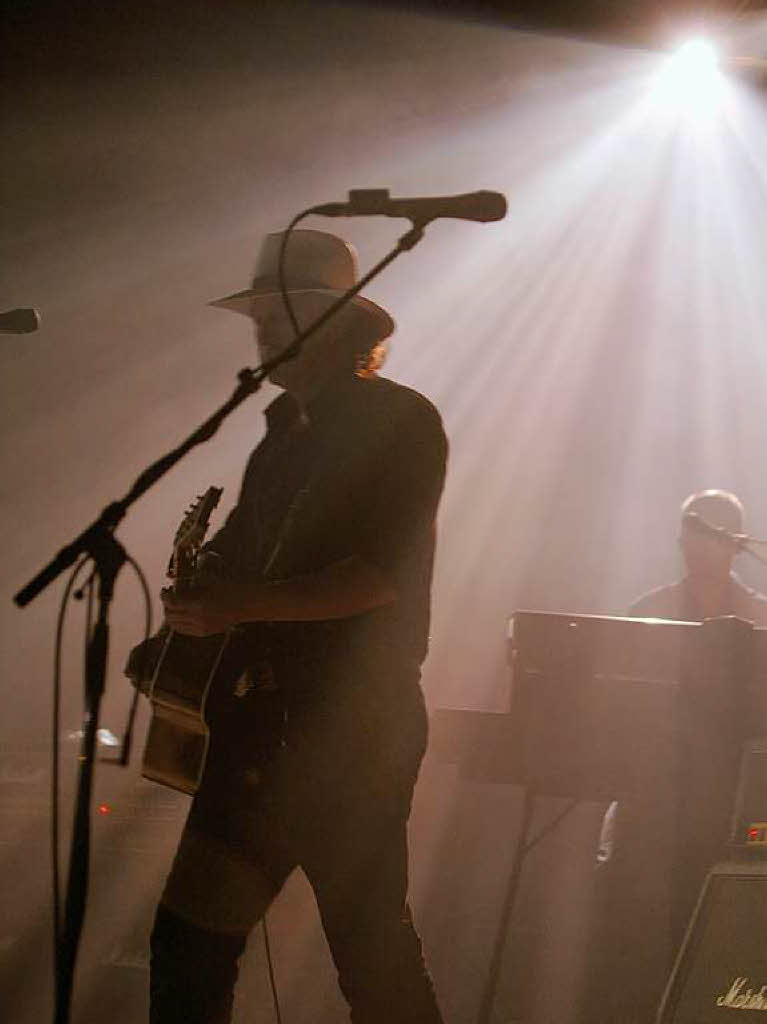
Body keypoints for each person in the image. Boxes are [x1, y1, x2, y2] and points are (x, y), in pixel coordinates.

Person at [131, 229, 447, 1024]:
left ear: (336, 323)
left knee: (369, 957)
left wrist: (235, 606)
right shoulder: (277, 434)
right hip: (258, 730)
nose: (262, 332)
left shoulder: (401, 421)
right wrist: (181, 630)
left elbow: (376, 577)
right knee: (188, 943)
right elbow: (238, 560)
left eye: (279, 314)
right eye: (258, 316)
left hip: (353, 731)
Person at [583, 489, 767, 1024]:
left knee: (713, 924)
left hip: (729, 806)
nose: (694, 544)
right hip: (651, 798)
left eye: (709, 532)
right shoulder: (650, 612)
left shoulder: (760, 618)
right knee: (627, 926)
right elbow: (611, 705)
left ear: (735, 544)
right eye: (689, 532)